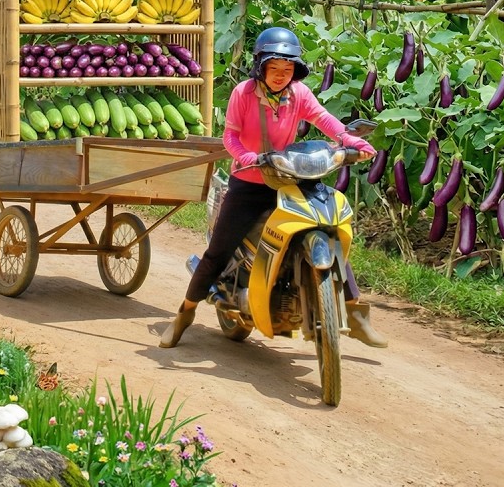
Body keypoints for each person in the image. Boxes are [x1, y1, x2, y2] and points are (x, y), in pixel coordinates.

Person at [159, 26, 388, 349]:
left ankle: (355, 313)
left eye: (288, 68)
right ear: (260, 67)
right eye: (274, 68)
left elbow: (324, 119)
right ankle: (184, 315)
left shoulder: (299, 94)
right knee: (217, 253)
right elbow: (230, 136)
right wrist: (246, 157)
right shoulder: (243, 93)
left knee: (329, 230)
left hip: (288, 178)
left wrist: (350, 140)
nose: (281, 75)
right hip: (249, 181)